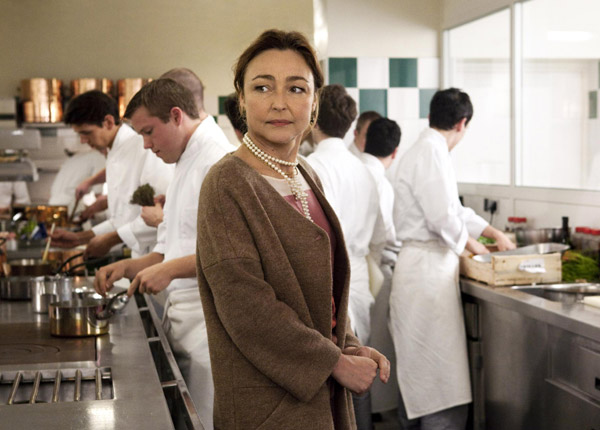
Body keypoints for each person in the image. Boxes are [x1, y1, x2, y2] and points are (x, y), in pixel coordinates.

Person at [196, 29, 390, 430]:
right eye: (262, 87)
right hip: (266, 404)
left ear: (314, 102)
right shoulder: (227, 183)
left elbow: (322, 291)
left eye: (297, 88)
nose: (280, 103)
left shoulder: (306, 172)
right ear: (242, 99)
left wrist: (351, 345)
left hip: (320, 397)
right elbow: (247, 306)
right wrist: (334, 362)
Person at [94, 77, 233, 429]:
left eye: (148, 132)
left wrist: (168, 272)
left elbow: (233, 259)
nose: (145, 145)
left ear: (175, 116)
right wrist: (131, 265)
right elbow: (175, 244)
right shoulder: (187, 159)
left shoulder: (218, 162)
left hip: (210, 325)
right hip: (186, 319)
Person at [389, 88, 515, 429]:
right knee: (437, 379)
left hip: (423, 271)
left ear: (432, 116)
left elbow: (453, 210)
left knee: (424, 375)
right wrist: (480, 249)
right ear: (462, 123)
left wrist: (494, 232)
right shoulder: (431, 151)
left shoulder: (425, 149)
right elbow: (442, 218)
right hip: (425, 274)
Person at [308, 84, 384, 430]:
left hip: (329, 289)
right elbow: (382, 237)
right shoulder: (364, 170)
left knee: (334, 388)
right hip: (360, 288)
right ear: (351, 126)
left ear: (312, 120)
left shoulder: (310, 168)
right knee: (361, 378)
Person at [51, 90, 173, 258]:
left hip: (160, 259)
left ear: (108, 122)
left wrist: (110, 240)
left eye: (86, 133)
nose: (83, 141)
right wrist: (79, 238)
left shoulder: (144, 148)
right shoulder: (114, 152)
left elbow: (162, 215)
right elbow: (122, 217)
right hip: (140, 259)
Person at [360, 118, 402, 416]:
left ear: (363, 140)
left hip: (356, 272)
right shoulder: (381, 182)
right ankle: (377, 413)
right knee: (375, 351)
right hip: (374, 273)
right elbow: (386, 236)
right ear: (395, 152)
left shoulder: (353, 168)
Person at [48, 137, 106, 214]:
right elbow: (98, 194)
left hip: (52, 204)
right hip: (70, 206)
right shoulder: (99, 157)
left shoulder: (73, 158)